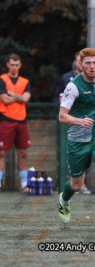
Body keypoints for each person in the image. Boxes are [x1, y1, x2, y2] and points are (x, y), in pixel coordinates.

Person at [58, 48, 95, 227]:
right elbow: (62, 116)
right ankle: (64, 201)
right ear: (80, 64)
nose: (91, 67)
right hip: (78, 141)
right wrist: (79, 121)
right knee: (76, 184)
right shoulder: (73, 86)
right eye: (88, 63)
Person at [54, 51, 91, 195]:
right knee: (72, 154)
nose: (89, 65)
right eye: (81, 61)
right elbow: (59, 95)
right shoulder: (67, 79)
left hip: (88, 122)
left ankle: (81, 184)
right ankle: (71, 185)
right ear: (77, 62)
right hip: (70, 121)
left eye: (93, 62)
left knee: (90, 154)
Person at [0, 54, 31, 193]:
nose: (14, 67)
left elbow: (25, 99)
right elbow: (4, 100)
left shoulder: (25, 82)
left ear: (20, 65)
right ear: (8, 65)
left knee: (23, 153)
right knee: (1, 153)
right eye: (12, 64)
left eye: (16, 65)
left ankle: (24, 185)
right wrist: (19, 97)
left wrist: (11, 93)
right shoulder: (2, 79)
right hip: (6, 120)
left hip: (21, 121)